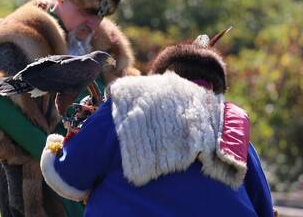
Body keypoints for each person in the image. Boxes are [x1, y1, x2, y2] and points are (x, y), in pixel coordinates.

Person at [0, 0, 139, 217]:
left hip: (95, 183)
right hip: (38, 189)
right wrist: (55, 157)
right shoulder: (24, 35)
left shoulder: (106, 44)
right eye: (85, 12)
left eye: (99, 15)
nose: (93, 23)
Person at [40, 32, 275, 217]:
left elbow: (67, 177)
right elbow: (264, 209)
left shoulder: (128, 101)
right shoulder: (229, 123)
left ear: (158, 78)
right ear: (215, 89)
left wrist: (56, 145)